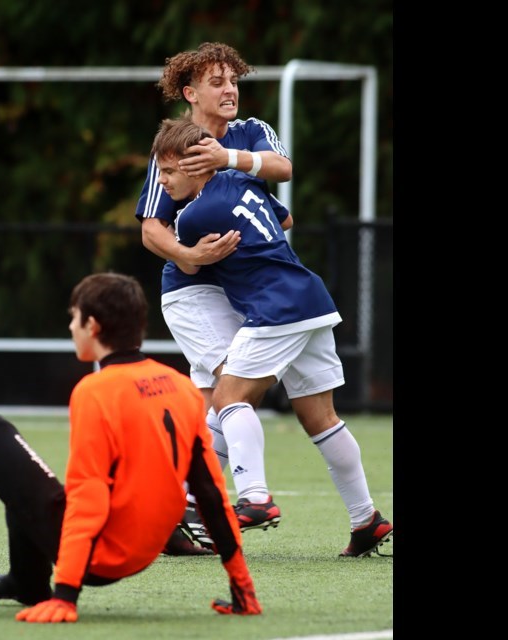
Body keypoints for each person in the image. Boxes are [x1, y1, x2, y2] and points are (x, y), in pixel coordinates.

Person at [0, 272, 263, 621]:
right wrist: (242, 585)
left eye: (73, 318)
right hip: (141, 552)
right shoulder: (180, 386)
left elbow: (88, 499)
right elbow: (210, 492)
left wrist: (65, 597)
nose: (71, 327)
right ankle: (26, 582)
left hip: (99, 557)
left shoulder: (95, 391)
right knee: (21, 466)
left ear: (92, 325)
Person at [151, 118, 393, 558]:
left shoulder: (193, 216)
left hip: (275, 308)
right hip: (312, 300)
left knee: (227, 398)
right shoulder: (241, 182)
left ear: (194, 163)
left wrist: (194, 252)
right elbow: (285, 218)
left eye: (168, 171)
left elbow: (187, 266)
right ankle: (366, 520)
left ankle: (255, 497)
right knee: (321, 418)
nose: (162, 182)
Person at [135, 42, 293, 550]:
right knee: (235, 388)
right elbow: (151, 230)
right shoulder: (176, 143)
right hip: (193, 291)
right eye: (218, 82)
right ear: (190, 93)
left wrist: (231, 161)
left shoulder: (253, 132)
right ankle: (247, 497)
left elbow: (282, 171)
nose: (230, 91)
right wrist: (191, 255)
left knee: (213, 405)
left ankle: (172, 509)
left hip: (237, 293)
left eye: (233, 81)